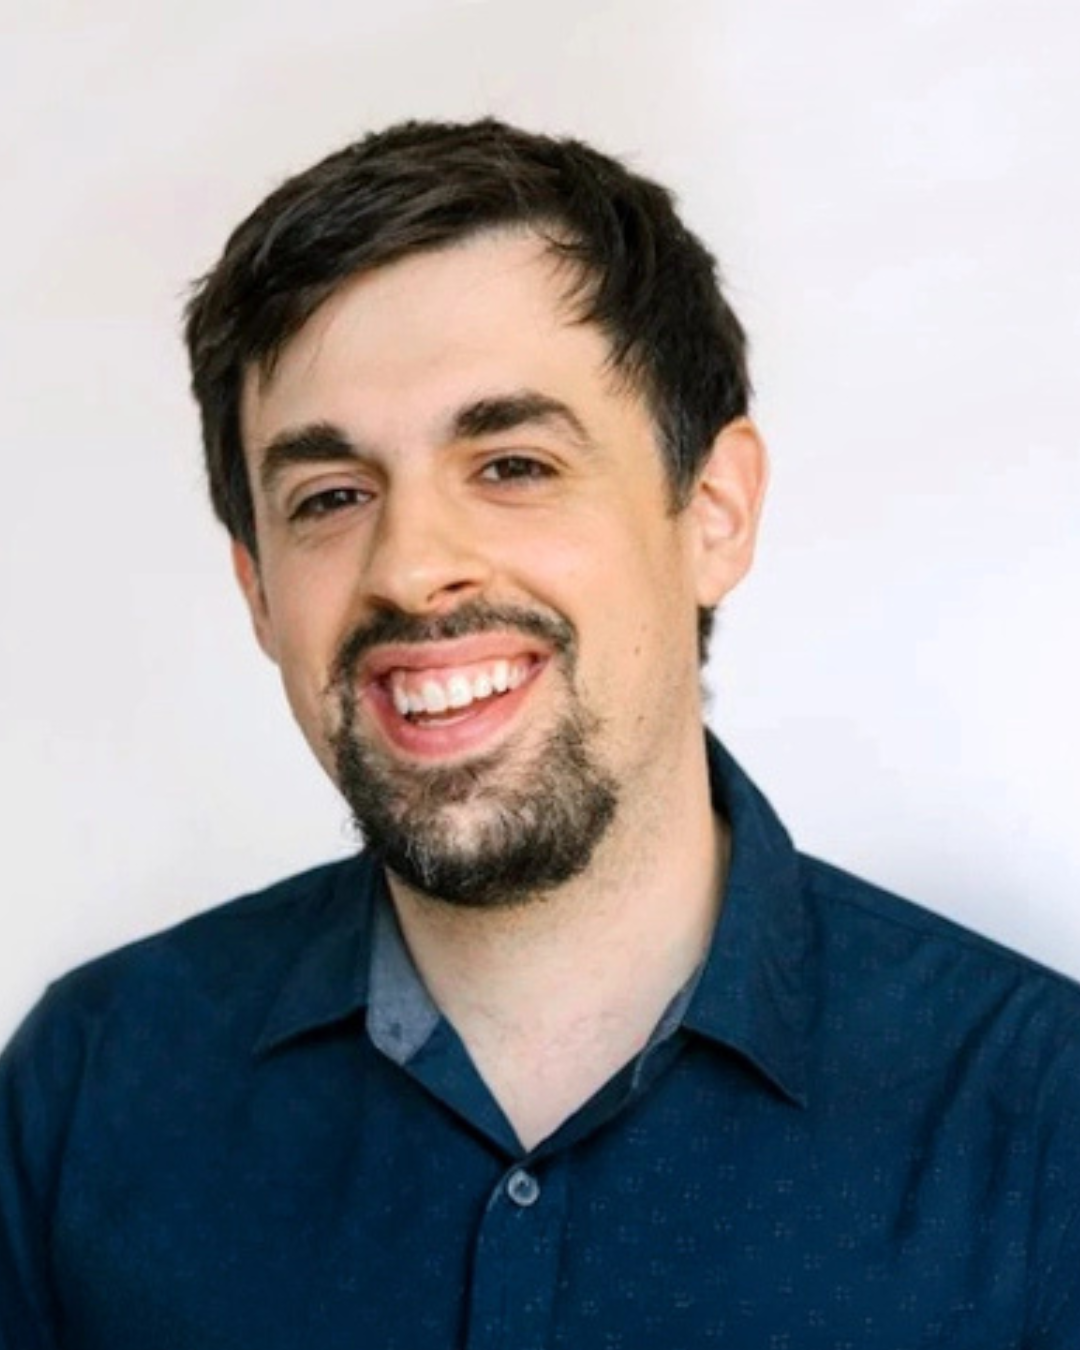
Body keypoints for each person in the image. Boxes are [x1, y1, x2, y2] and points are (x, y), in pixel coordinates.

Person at [1, 118, 1077, 1349]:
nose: (411, 568)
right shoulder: (86, 1093)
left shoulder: (1042, 1121)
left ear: (713, 513)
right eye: (332, 496)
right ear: (257, 591)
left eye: (513, 464)